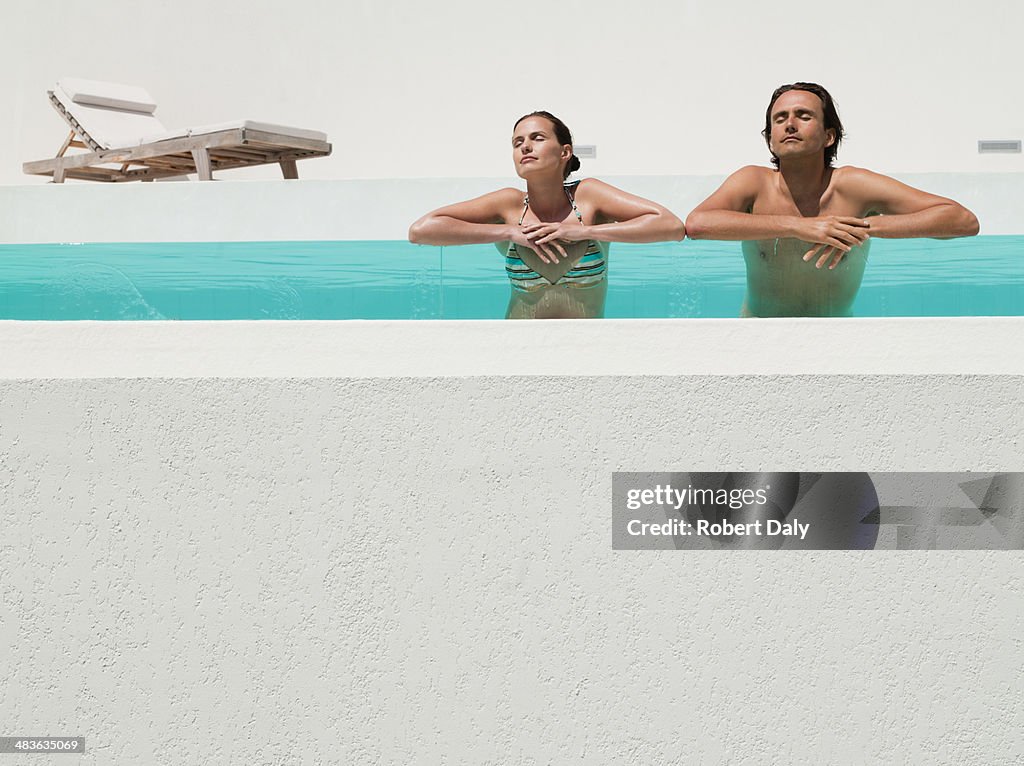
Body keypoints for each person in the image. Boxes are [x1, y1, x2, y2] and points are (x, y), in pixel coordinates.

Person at [685, 82, 979, 317]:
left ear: (829, 136)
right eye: (780, 118)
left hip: (838, 336)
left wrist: (860, 228)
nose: (790, 124)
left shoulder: (853, 185)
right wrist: (797, 227)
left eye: (803, 116)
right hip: (759, 332)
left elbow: (962, 221)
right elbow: (698, 224)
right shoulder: (754, 182)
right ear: (770, 139)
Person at [409, 111, 685, 319]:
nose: (525, 147)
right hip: (517, 350)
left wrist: (586, 232)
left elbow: (670, 226)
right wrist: (509, 232)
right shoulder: (508, 205)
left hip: (585, 351)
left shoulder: (588, 197)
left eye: (536, 138)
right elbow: (421, 230)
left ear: (565, 152)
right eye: (517, 142)